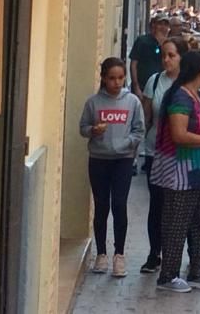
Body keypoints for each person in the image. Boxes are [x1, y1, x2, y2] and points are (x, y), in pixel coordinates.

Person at [149, 51, 200, 293]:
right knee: (176, 222)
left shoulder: (199, 97)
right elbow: (179, 135)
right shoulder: (181, 98)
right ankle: (168, 275)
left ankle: (196, 271)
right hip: (180, 173)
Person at [79, 58, 145, 278]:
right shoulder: (93, 102)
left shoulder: (132, 101)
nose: (116, 82)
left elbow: (139, 130)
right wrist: (93, 131)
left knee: (119, 204)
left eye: (120, 78)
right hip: (98, 158)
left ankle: (119, 254)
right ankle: (101, 254)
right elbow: (83, 127)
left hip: (123, 160)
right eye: (111, 78)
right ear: (104, 79)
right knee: (101, 206)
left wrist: (126, 143)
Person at [139, 36, 189, 275]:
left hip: (183, 153)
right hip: (155, 151)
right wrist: (137, 148)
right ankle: (154, 253)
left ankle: (177, 254)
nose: (167, 60)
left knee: (178, 206)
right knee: (157, 205)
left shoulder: (191, 82)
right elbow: (146, 116)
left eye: (172, 55)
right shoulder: (155, 81)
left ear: (181, 57)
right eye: (164, 55)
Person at [129, 14, 169, 97]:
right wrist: (136, 87)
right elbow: (133, 64)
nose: (163, 27)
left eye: (166, 24)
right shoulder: (142, 41)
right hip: (142, 85)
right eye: (160, 24)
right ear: (154, 25)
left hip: (160, 86)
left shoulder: (168, 44)